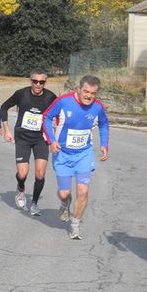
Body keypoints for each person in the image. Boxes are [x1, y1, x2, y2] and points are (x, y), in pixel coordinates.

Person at [43, 75, 109, 240]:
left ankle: (75, 225)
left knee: (83, 191)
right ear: (78, 90)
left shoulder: (98, 107)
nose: (88, 96)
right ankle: (65, 203)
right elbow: (46, 117)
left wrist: (104, 144)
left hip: (83, 155)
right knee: (64, 193)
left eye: (93, 93)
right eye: (85, 91)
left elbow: (103, 123)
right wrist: (51, 140)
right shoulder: (64, 102)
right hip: (62, 154)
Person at [1, 68, 57, 216]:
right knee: (22, 174)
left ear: (45, 82)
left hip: (41, 139)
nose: (38, 84)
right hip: (23, 138)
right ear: (30, 81)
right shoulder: (21, 93)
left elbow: (61, 114)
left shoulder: (51, 97)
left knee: (40, 173)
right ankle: (20, 190)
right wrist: (6, 129)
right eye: (35, 81)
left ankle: (34, 204)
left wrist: (56, 135)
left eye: (42, 82)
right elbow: (4, 107)